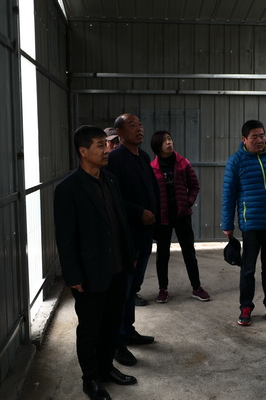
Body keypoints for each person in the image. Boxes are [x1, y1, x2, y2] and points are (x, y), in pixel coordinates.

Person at [54, 125, 137, 400]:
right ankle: (89, 379)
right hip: (89, 273)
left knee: (112, 323)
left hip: (117, 268)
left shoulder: (110, 179)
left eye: (106, 144)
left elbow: (120, 220)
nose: (106, 150)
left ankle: (106, 368)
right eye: (100, 145)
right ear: (83, 151)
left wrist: (130, 255)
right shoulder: (68, 189)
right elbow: (65, 238)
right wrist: (72, 275)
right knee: (90, 329)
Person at [221, 120, 266, 326]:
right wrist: (227, 224)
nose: (260, 140)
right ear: (244, 139)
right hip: (251, 225)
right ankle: (246, 307)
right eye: (255, 137)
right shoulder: (236, 161)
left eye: (262, 135)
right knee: (248, 270)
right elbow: (229, 195)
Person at [106, 113, 158, 367]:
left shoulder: (144, 157)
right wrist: (138, 212)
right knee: (122, 291)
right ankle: (117, 343)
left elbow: (152, 190)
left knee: (133, 287)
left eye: (140, 124)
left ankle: (128, 331)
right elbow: (112, 198)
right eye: (132, 125)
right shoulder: (115, 159)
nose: (139, 128)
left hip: (145, 233)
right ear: (120, 133)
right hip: (127, 235)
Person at [149, 130, 211, 303]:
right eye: (164, 141)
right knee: (162, 255)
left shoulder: (183, 163)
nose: (169, 142)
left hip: (182, 215)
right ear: (157, 146)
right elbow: (150, 192)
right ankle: (163, 289)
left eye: (170, 139)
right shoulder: (152, 168)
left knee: (189, 252)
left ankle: (197, 287)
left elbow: (194, 186)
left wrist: (187, 203)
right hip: (162, 218)